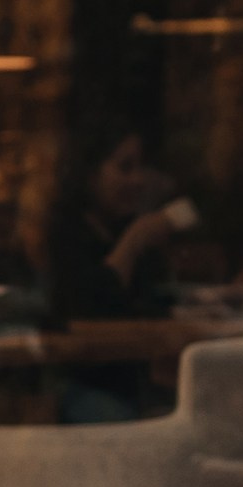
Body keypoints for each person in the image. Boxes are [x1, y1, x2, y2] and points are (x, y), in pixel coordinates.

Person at [46, 125, 186, 423]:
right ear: (90, 174)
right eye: (125, 168)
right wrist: (134, 241)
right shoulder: (66, 233)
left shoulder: (121, 226)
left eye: (140, 167)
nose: (137, 180)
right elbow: (91, 309)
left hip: (137, 383)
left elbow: (155, 302)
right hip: (76, 386)